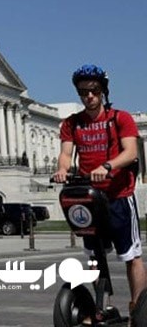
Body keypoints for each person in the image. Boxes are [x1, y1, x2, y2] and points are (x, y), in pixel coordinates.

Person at [53, 64, 146, 313]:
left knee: (131, 256)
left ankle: (138, 308)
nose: (89, 96)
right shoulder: (72, 123)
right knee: (95, 257)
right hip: (90, 199)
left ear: (103, 90)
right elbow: (65, 153)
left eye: (93, 90)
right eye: (83, 92)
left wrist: (107, 166)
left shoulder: (120, 118)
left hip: (119, 196)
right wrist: (62, 169)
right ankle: (102, 307)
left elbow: (131, 152)